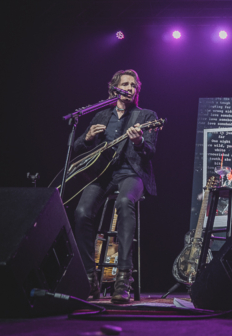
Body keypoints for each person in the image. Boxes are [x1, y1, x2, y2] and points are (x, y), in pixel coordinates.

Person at [72, 69, 159, 303]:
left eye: (133, 85)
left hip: (132, 173)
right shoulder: (101, 116)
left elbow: (149, 152)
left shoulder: (146, 116)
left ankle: (123, 279)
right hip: (101, 175)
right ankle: (90, 279)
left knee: (124, 202)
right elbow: (77, 150)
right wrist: (87, 138)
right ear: (115, 89)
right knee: (81, 213)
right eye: (125, 84)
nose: (129, 88)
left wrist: (139, 142)